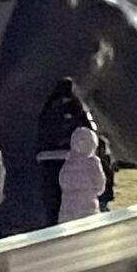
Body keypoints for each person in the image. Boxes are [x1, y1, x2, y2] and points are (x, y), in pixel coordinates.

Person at [36, 79, 95, 225]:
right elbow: (88, 131)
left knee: (52, 198)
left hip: (47, 159)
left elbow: (42, 132)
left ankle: (53, 225)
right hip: (71, 156)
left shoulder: (48, 107)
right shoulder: (77, 108)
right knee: (71, 195)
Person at [57, 125, 107, 223]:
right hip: (87, 202)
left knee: (68, 225)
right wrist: (97, 190)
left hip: (68, 203)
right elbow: (99, 183)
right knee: (88, 224)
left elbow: (62, 180)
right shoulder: (93, 162)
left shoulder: (69, 161)